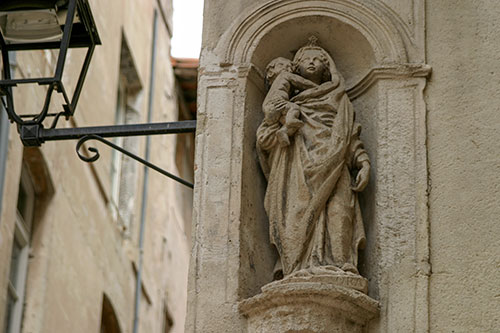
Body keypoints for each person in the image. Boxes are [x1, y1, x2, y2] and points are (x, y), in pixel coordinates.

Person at [256, 38, 370, 278]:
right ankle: (296, 268)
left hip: (336, 161)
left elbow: (348, 134)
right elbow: (264, 137)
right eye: (306, 58)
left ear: (327, 66)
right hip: (296, 169)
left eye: (318, 59)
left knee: (341, 208)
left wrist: (362, 161)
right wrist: (285, 132)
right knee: (296, 213)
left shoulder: (339, 101)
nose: (312, 62)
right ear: (296, 66)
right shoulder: (288, 104)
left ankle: (342, 265)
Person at [262, 57, 318, 147]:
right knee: (294, 108)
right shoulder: (285, 75)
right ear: (270, 72)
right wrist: (317, 87)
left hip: (268, 109)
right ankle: (289, 123)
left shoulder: (275, 86)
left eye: (289, 67)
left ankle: (284, 133)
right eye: (281, 65)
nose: (286, 68)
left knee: (287, 121)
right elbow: (302, 82)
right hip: (276, 102)